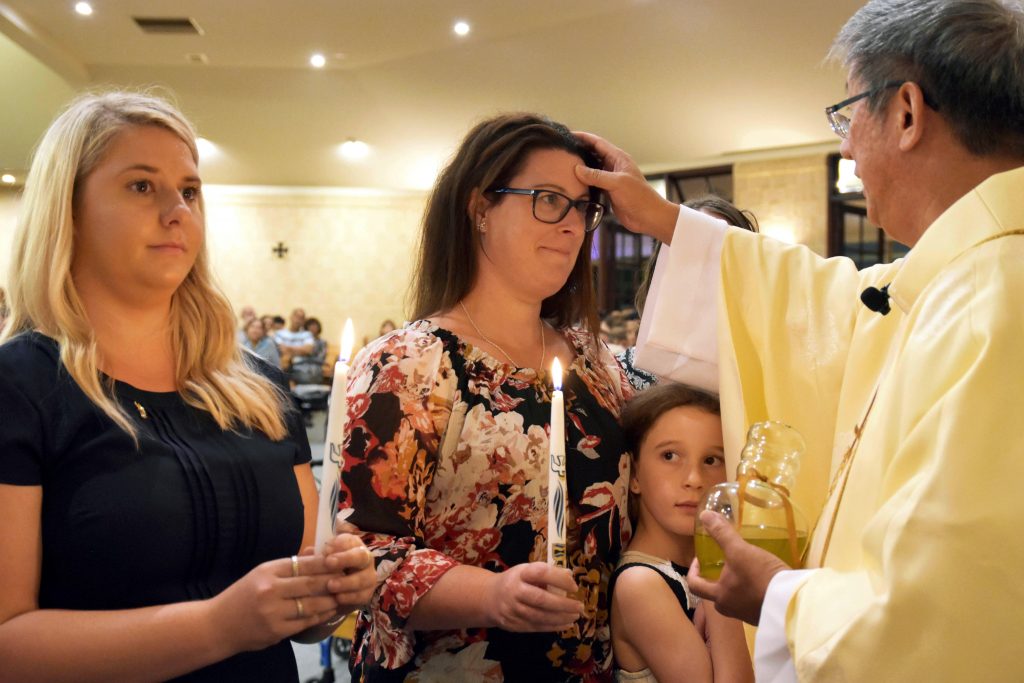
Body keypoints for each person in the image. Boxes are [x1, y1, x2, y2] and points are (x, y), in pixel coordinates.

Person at [574, 0, 1024, 679]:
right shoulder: (956, 278)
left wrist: (777, 597)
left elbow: (945, 613)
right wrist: (665, 219)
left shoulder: (995, 300)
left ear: (906, 113)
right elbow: (834, 303)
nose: (846, 147)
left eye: (848, 114)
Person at [0, 91, 377, 682]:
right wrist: (218, 626)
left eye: (190, 190)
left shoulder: (256, 389)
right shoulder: (19, 387)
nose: (177, 210)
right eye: (142, 186)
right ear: (67, 209)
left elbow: (300, 609)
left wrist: (330, 594)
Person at [340, 113, 633, 681]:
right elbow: (363, 555)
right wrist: (493, 594)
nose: (572, 224)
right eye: (548, 199)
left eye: (582, 206)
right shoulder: (410, 364)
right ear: (479, 208)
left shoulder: (596, 362)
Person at [611, 383, 752, 683]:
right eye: (670, 456)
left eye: (711, 460)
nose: (694, 479)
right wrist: (718, 585)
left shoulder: (705, 564)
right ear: (634, 474)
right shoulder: (640, 584)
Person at [619, 196, 758, 393]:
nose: (707, 274)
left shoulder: (763, 375)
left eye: (720, 253)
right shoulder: (622, 375)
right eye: (693, 254)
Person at [277, 307, 321, 385]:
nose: (298, 320)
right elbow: (282, 350)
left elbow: (308, 350)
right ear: (291, 317)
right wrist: (300, 350)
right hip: (284, 365)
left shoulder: (307, 334)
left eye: (301, 318)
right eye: (296, 316)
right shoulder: (280, 333)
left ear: (304, 321)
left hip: (302, 368)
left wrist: (288, 348)